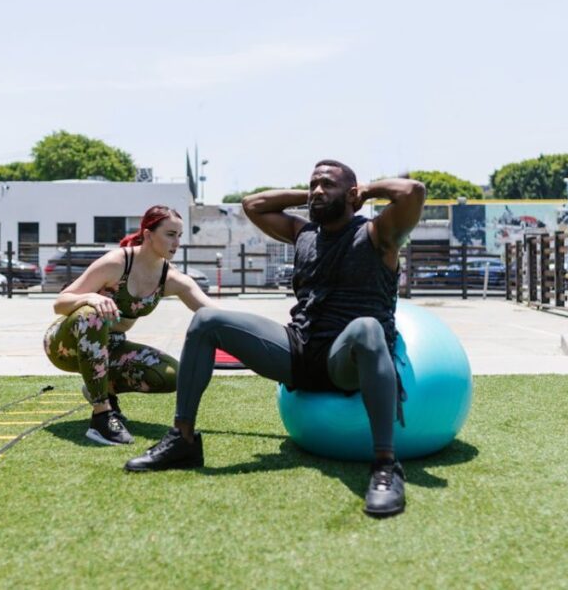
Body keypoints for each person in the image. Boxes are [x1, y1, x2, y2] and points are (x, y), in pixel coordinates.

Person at [124, 161, 425, 518]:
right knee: (206, 320)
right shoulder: (304, 233)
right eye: (313, 184)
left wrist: (364, 192)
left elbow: (413, 192)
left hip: (346, 359)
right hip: (298, 349)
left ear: (351, 193)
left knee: (367, 327)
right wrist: (314, 196)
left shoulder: (379, 233)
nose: (316, 190)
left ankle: (386, 467)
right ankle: (183, 440)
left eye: (327, 185)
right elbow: (253, 204)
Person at [43, 206, 215, 446]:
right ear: (148, 234)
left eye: (179, 235)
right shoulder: (117, 262)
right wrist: (90, 298)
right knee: (91, 315)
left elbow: (212, 312)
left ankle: (100, 388)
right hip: (66, 344)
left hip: (111, 347)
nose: (176, 242)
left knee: (173, 376)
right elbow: (60, 303)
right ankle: (102, 416)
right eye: (170, 234)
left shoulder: (171, 277)